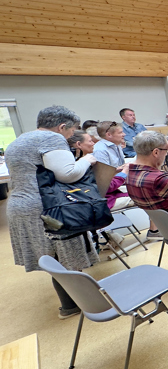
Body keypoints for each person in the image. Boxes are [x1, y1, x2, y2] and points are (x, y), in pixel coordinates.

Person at [6, 105, 98, 319]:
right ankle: (76, 304)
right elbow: (67, 174)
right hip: (45, 207)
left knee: (54, 258)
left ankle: (70, 304)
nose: (70, 135)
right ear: (61, 126)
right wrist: (86, 160)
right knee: (66, 256)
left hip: (20, 206)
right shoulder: (52, 139)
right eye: (71, 130)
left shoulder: (19, 140)